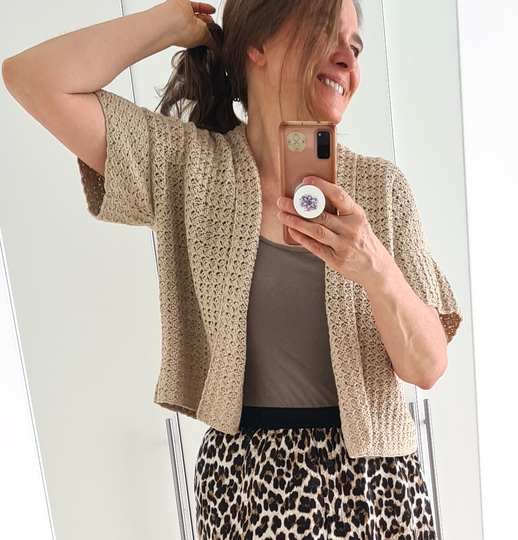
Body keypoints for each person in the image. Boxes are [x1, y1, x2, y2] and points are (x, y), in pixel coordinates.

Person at [2, 0, 463, 538]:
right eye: (325, 32)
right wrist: (170, 25)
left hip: (378, 492)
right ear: (257, 45)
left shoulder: (382, 189)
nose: (348, 60)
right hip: (245, 490)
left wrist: (376, 268)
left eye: (355, 48)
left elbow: (428, 367)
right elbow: (33, 78)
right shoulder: (189, 168)